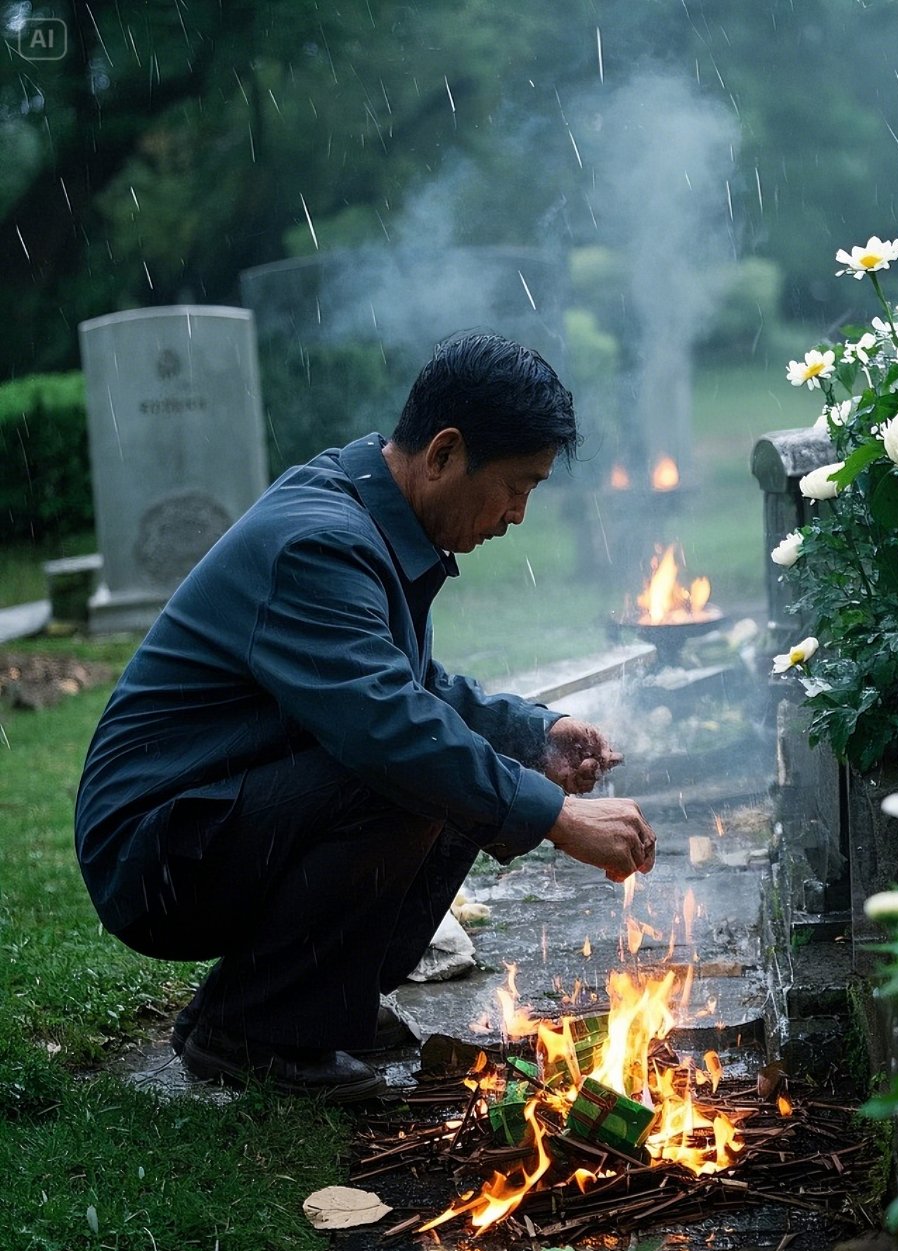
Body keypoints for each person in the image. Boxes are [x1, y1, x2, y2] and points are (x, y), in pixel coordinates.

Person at [74, 333, 656, 1103]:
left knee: (447, 763)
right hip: (155, 849)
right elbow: (389, 725)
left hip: (211, 813)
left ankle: (313, 1002)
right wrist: (558, 819)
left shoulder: (365, 510)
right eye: (517, 485)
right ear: (445, 452)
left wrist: (530, 735)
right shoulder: (322, 540)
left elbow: (400, 684)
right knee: (409, 771)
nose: (517, 514)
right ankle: (253, 1030)